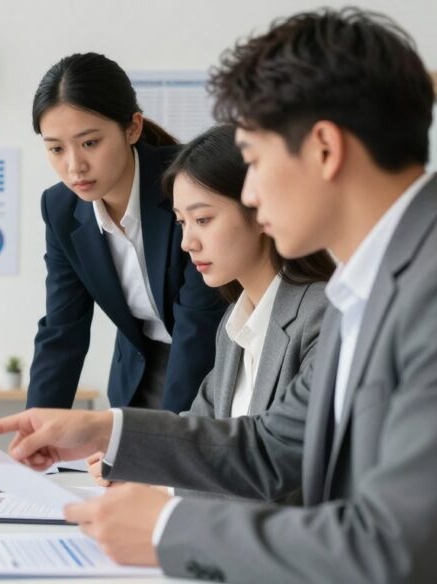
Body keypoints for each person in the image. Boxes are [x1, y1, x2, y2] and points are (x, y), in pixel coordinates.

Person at [0, 8, 437, 584]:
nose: (249, 194)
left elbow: (394, 549)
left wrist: (166, 531)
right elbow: (272, 447)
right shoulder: (365, 285)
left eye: (253, 162)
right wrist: (105, 431)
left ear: (324, 149)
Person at [87, 125, 335, 490]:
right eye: (182, 222)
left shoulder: (322, 317)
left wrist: (148, 473)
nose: (187, 242)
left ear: (260, 210)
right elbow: (201, 433)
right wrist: (135, 463)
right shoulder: (233, 325)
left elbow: (281, 468)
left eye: (202, 220)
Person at [28, 52, 225, 413]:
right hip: (140, 371)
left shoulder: (188, 185)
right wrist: (34, 428)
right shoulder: (60, 209)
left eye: (89, 143)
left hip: (213, 362)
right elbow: (62, 329)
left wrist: (164, 438)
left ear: (132, 128)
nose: (74, 167)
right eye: (56, 148)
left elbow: (199, 322)